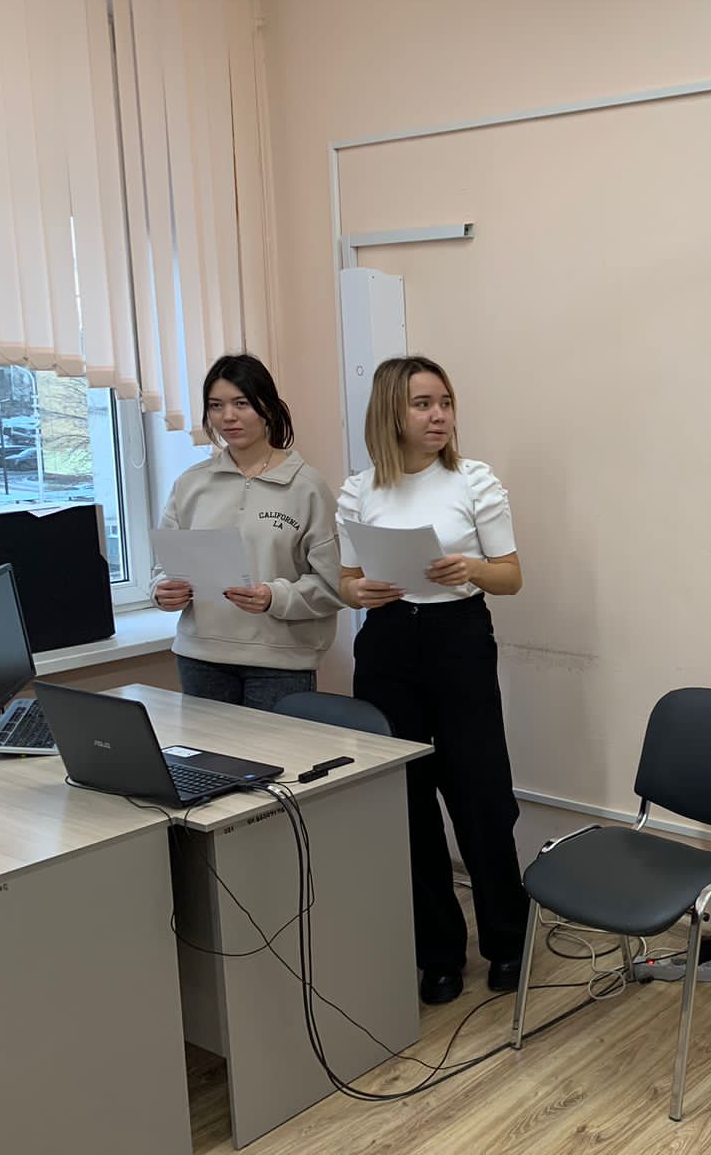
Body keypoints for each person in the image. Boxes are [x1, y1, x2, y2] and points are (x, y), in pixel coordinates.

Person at [337, 355, 527, 1005]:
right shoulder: (360, 490)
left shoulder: (473, 479)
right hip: (387, 642)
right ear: (391, 412)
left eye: (444, 402)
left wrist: (470, 568)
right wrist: (359, 591)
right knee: (407, 800)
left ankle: (507, 940)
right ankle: (438, 954)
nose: (439, 414)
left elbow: (511, 575)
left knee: (481, 795)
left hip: (458, 638)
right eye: (423, 403)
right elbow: (346, 580)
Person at [152, 354, 343, 709]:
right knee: (208, 747)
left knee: (274, 749)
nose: (228, 416)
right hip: (201, 656)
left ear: (267, 407)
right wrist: (163, 592)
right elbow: (165, 567)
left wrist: (275, 597)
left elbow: (333, 585)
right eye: (216, 405)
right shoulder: (190, 484)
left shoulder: (307, 487)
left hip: (280, 662)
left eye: (241, 403)